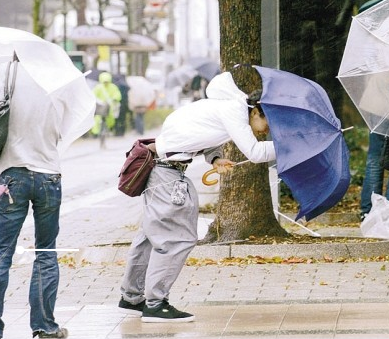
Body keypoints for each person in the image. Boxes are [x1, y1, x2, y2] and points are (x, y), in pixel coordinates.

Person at [118, 71, 275, 322]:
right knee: (178, 238)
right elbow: (256, 152)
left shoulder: (225, 107)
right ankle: (156, 304)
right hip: (166, 173)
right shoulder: (234, 111)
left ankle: (132, 297)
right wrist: (291, 147)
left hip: (161, 169)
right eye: (270, 124)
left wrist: (215, 158)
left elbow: (203, 133)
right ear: (256, 111)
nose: (268, 131)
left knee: (150, 235)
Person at [0, 56, 71, 338]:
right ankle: (45, 326)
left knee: (1, 250)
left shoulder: (12, 71)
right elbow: (64, 128)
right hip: (49, 175)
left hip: (13, 176)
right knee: (45, 252)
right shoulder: (60, 77)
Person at [91, 72, 122, 136]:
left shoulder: (113, 87)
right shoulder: (98, 87)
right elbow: (93, 95)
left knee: (110, 118)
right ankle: (95, 133)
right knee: (97, 119)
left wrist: (114, 99)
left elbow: (117, 94)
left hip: (109, 106)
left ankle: (109, 128)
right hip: (100, 107)